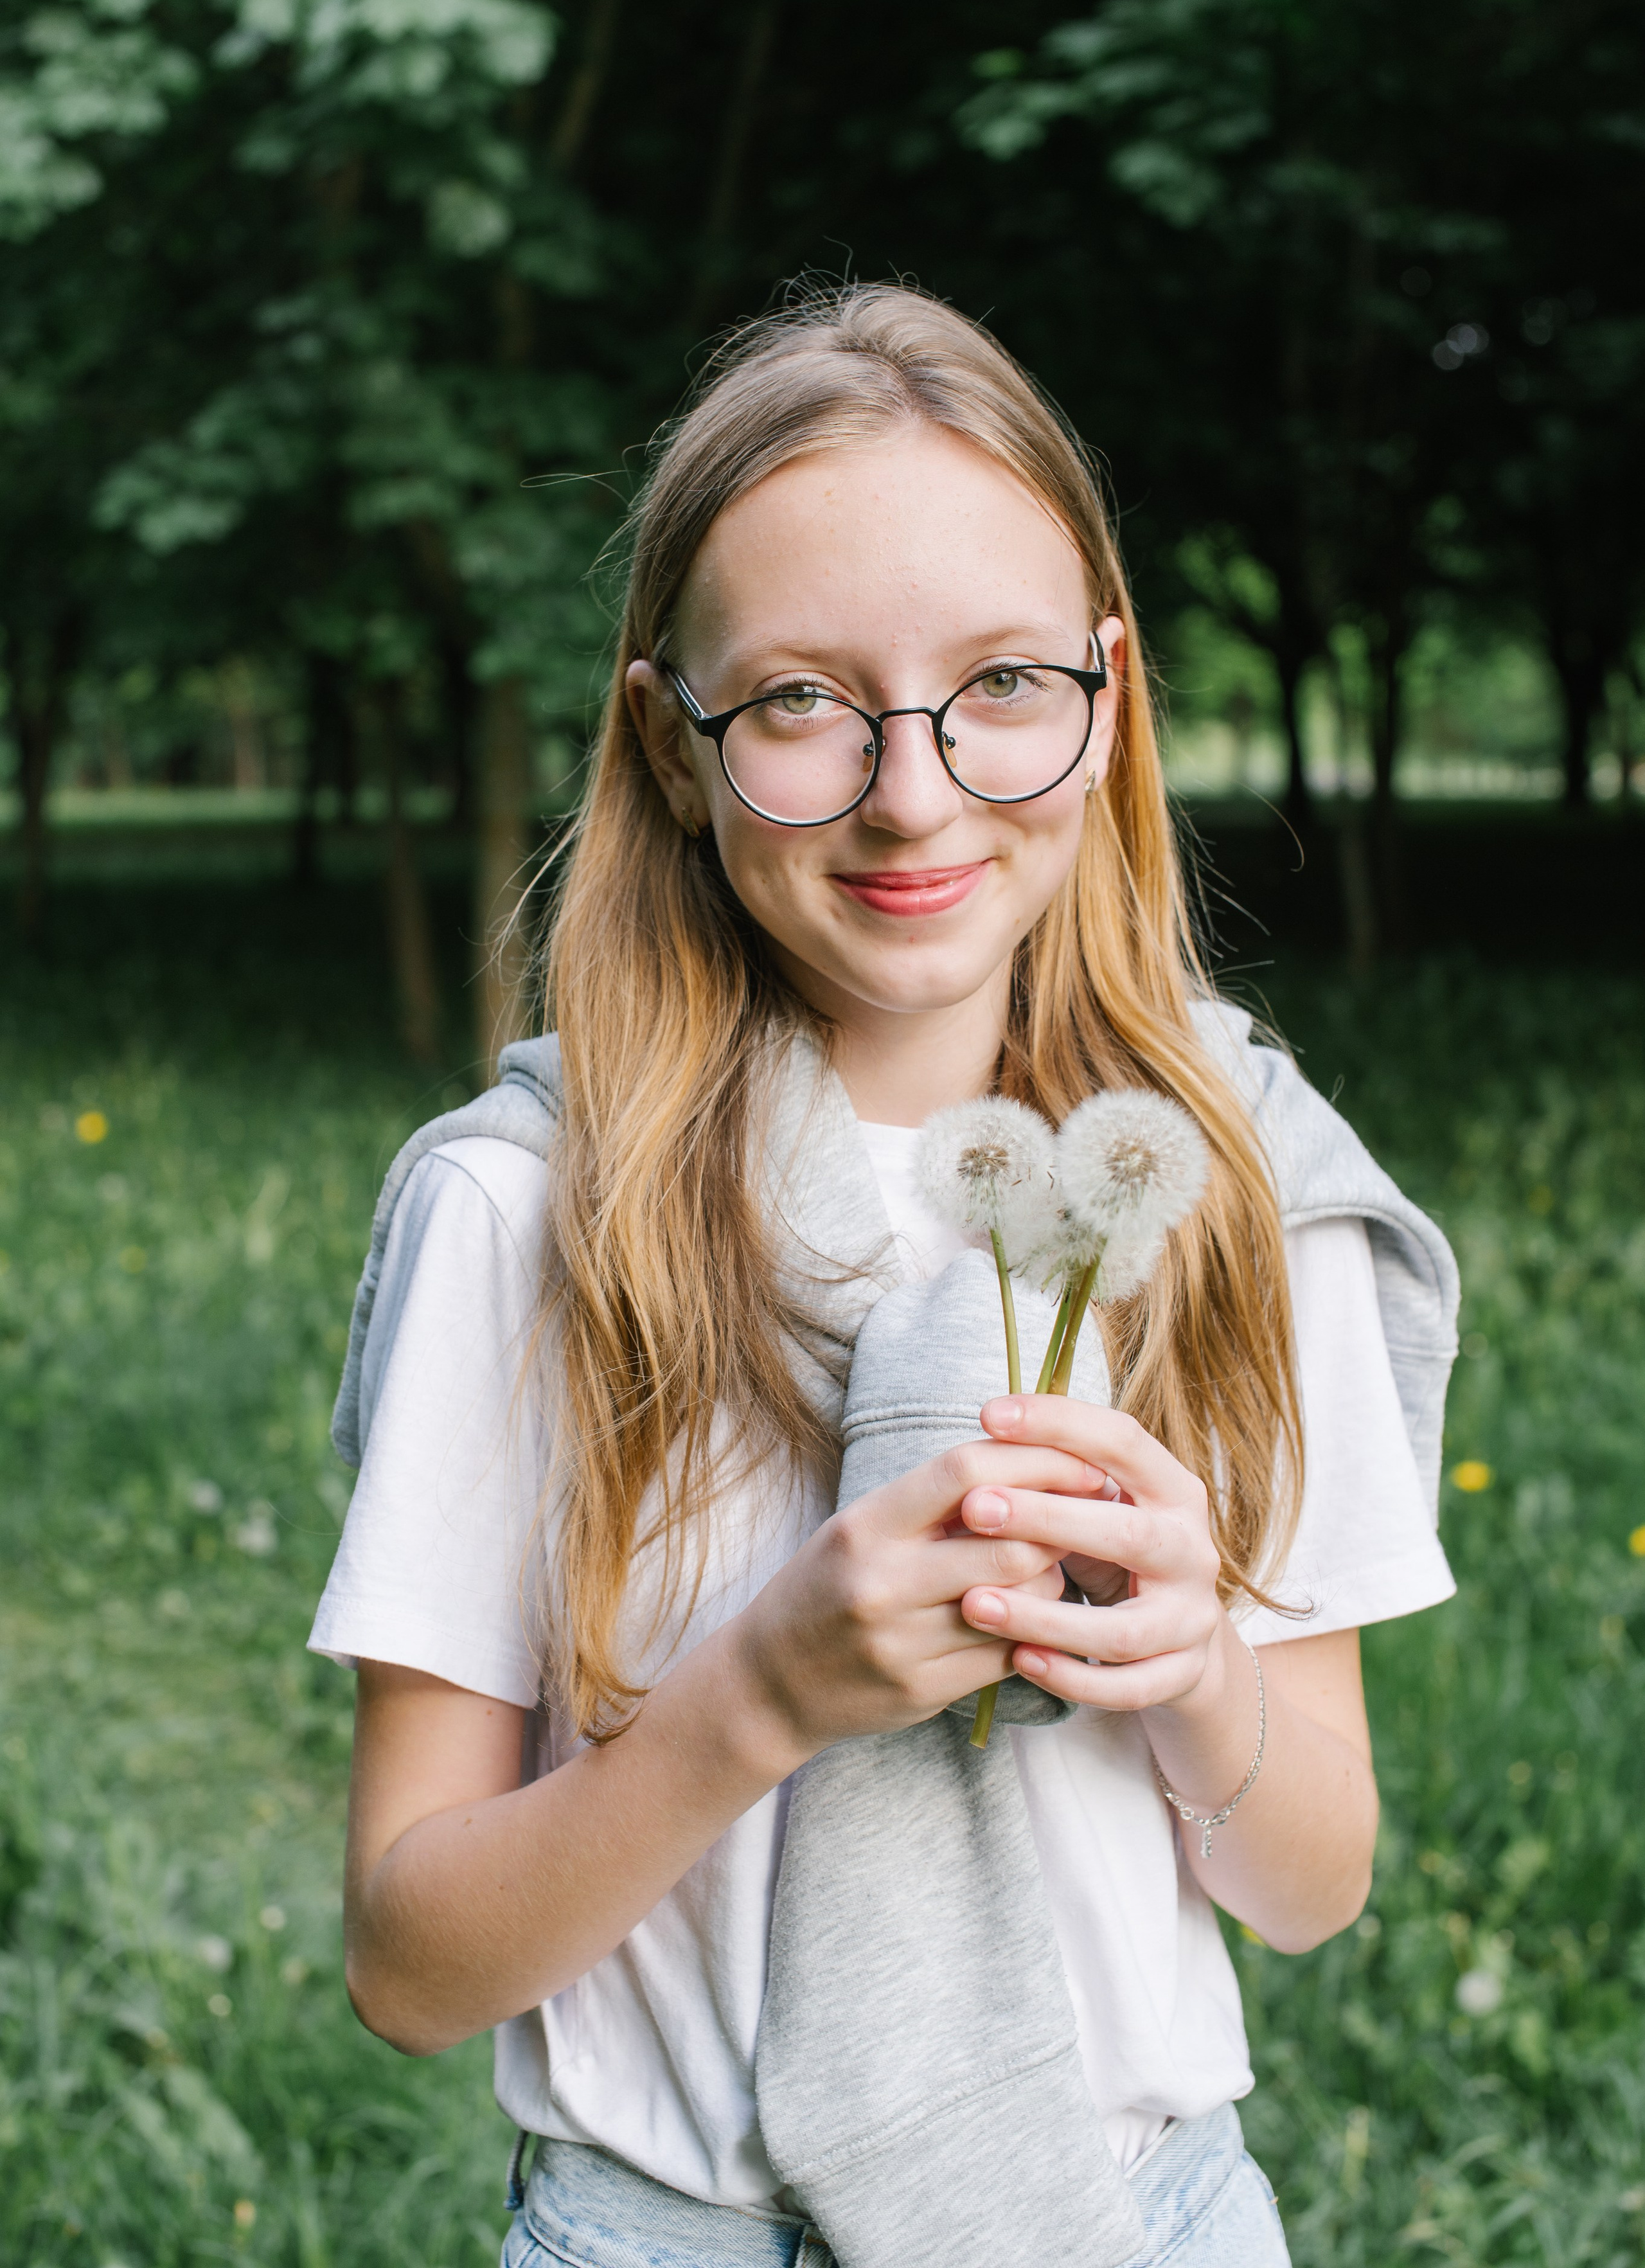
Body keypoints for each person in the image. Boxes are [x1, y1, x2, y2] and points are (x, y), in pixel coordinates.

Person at [310, 284, 1459, 2268]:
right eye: (800, 704)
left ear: (1109, 701)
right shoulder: (527, 1219)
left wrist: (1195, 1675)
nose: (911, 792)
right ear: (673, 749)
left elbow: (1312, 1880)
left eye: (1001, 684)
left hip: (1145, 2220)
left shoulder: (1249, 1199)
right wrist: (752, 1694)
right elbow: (413, 1966)